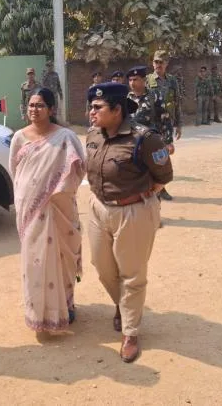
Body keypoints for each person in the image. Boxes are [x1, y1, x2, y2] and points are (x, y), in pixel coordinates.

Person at [86, 82, 173, 363]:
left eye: (97, 107)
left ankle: (130, 332)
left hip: (133, 211)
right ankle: (122, 305)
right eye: (91, 107)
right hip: (98, 208)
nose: (91, 112)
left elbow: (163, 176)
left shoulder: (144, 138)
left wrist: (140, 199)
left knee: (132, 274)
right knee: (102, 267)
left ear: (117, 110)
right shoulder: (93, 135)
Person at [10, 87, 86, 332]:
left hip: (59, 208)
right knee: (35, 262)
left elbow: (79, 169)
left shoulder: (66, 137)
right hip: (30, 210)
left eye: (40, 105)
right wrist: (32, 195)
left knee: (62, 258)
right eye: (31, 105)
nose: (34, 109)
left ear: (52, 109)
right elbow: (16, 172)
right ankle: (37, 311)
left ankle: (66, 305)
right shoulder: (19, 137)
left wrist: (56, 190)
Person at [146, 51, 183, 200]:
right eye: (156, 62)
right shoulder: (147, 80)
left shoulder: (172, 81)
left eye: (161, 62)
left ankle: (161, 188)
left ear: (166, 63)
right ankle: (154, 188)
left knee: (164, 155)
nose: (158, 65)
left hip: (167, 124)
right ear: (152, 63)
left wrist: (178, 124)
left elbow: (177, 102)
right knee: (152, 155)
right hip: (152, 124)